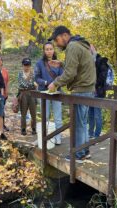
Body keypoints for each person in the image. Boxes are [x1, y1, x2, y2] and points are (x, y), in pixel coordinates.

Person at [48, 26, 96, 163]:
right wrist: (62, 64)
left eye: (56, 40)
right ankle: (85, 151)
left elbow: (70, 74)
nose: (56, 44)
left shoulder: (73, 46)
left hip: (81, 90)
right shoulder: (81, 44)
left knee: (78, 124)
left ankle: (79, 154)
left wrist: (55, 83)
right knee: (83, 123)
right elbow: (79, 66)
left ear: (64, 35)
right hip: (88, 89)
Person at [35, 42, 64, 144]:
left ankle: (58, 138)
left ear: (53, 50)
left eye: (50, 49)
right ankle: (44, 137)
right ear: (44, 51)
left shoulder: (58, 63)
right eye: (47, 49)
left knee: (58, 118)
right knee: (45, 116)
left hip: (57, 92)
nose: (49, 51)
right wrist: (46, 83)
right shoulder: (39, 63)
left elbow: (63, 76)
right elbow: (37, 78)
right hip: (44, 92)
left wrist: (55, 84)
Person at [88, 44, 108, 139]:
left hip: (98, 92)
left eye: (91, 48)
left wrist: (95, 85)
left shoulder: (101, 61)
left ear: (94, 49)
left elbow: (103, 77)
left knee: (97, 115)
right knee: (90, 114)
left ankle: (97, 135)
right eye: (88, 48)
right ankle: (90, 133)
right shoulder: (87, 61)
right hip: (89, 92)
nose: (89, 50)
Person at [18, 58, 37, 135]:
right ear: (22, 65)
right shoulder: (20, 74)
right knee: (23, 113)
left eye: (28, 65)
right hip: (23, 94)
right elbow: (22, 84)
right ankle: (23, 128)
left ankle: (34, 128)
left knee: (33, 113)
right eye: (25, 65)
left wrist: (32, 84)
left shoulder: (33, 74)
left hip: (32, 94)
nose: (27, 67)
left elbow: (35, 84)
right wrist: (32, 84)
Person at [0, 55, 10, 132]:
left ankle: (2, 125)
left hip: (3, 93)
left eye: (0, 60)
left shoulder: (5, 71)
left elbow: (7, 82)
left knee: (1, 109)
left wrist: (6, 91)